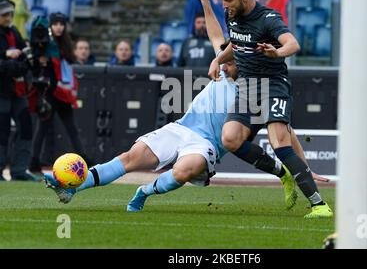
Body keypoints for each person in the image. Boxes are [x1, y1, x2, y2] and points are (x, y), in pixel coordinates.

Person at [44, 58, 328, 212]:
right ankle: (72, 188)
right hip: (180, 128)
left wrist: (305, 168)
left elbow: (287, 133)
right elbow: (217, 30)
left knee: (183, 171)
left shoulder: (257, 95)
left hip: (206, 146)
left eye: (229, 60)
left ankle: (143, 192)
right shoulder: (223, 72)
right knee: (130, 157)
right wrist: (205, 0)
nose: (223, 62)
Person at [195, 0, 333, 218]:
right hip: (247, 88)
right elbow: (234, 45)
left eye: (228, 0)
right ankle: (284, 173)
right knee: (230, 139)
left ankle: (319, 205)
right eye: (223, 1)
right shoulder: (232, 16)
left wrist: (277, 53)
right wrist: (217, 59)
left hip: (273, 84)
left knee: (279, 141)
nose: (225, 6)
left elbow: (293, 44)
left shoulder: (268, 18)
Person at [31, 12, 88, 173]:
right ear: (50, 25)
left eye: (61, 24)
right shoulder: (44, 42)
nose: (59, 27)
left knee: (72, 128)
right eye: (55, 24)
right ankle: (34, 162)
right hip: (49, 91)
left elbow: (69, 64)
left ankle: (84, 159)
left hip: (63, 92)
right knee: (41, 129)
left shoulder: (66, 43)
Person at [0, 0, 35, 181]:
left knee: (26, 127)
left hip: (17, 92)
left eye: (10, 14)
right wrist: (11, 60)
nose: (8, 17)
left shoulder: (14, 32)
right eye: (4, 14)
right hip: (2, 92)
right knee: (2, 131)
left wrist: (14, 62)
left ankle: (19, 170)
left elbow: (26, 59)